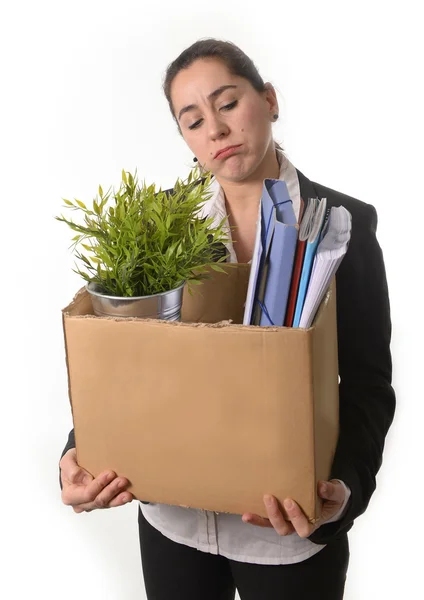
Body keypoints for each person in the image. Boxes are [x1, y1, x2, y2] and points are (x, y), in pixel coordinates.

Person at [59, 38, 396, 599]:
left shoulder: (340, 226)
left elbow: (367, 385)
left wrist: (344, 491)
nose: (214, 129)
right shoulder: (157, 229)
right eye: (192, 120)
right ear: (186, 139)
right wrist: (79, 454)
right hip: (174, 523)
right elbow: (126, 356)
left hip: (286, 533)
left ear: (268, 100)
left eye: (227, 103)